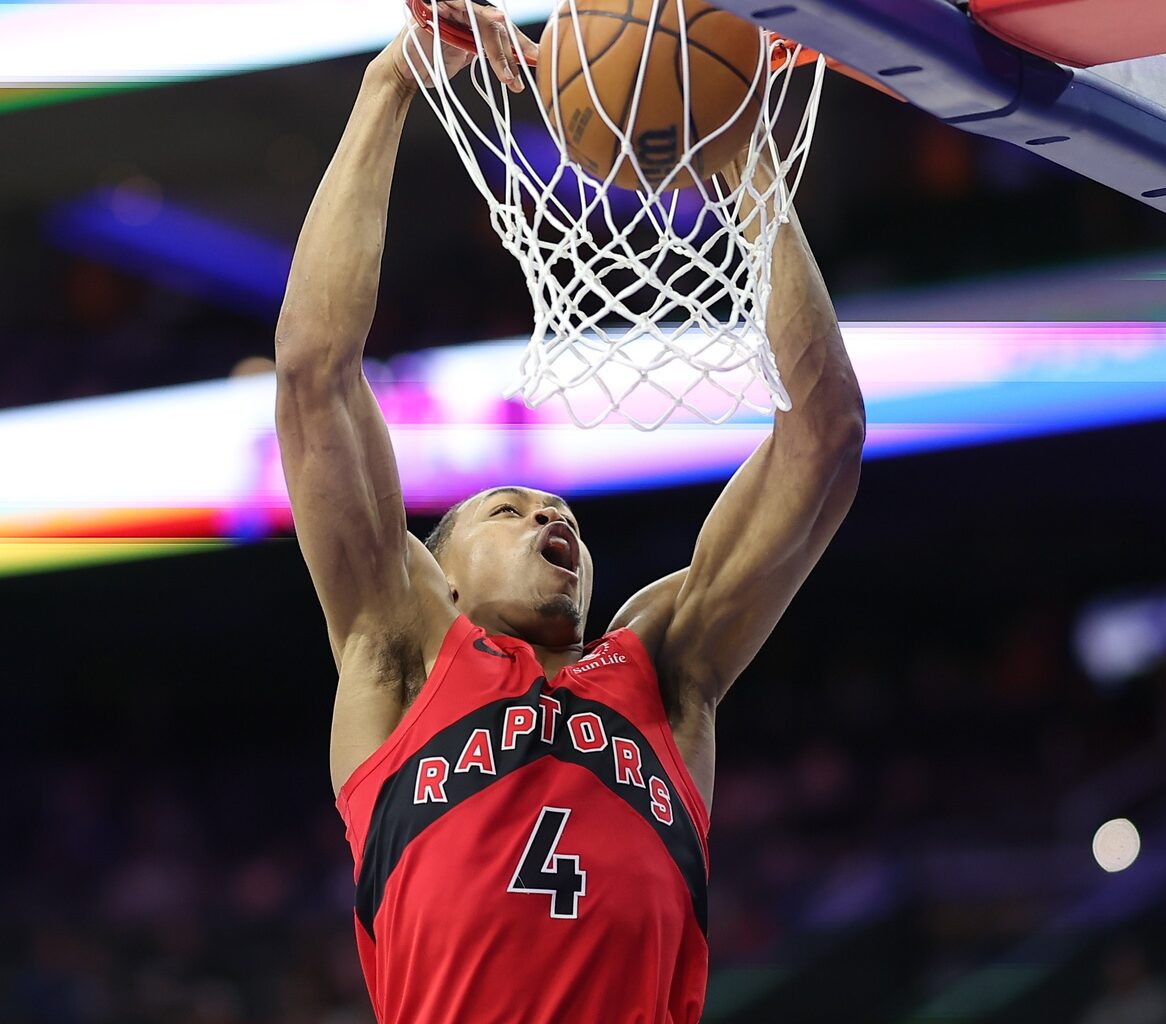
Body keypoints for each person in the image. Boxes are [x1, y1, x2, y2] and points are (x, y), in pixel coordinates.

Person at [273, 4, 865, 1020]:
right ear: (441, 574)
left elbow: (824, 434)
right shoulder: (400, 657)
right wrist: (389, 86)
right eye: (505, 509)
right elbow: (314, 376)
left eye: (561, 517)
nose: (554, 519)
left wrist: (743, 157)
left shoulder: (662, 671)